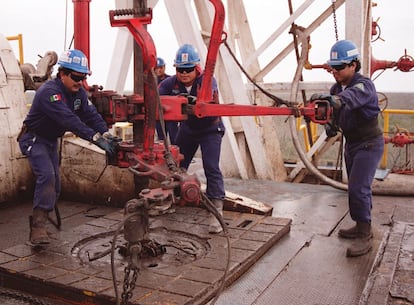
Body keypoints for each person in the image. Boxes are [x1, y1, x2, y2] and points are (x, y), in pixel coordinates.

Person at [18, 49, 117, 245]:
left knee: (55, 186)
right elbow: (69, 119)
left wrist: (105, 133)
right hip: (34, 139)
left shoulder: (78, 92)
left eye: (83, 77)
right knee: (47, 176)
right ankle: (38, 229)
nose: (80, 81)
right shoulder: (49, 93)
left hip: (50, 141)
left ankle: (44, 217)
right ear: (62, 73)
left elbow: (90, 115)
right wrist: (95, 138)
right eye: (75, 77)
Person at [311, 40, 384, 257]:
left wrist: (334, 100)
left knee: (358, 188)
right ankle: (361, 224)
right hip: (352, 144)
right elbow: (335, 110)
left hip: (369, 144)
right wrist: (331, 124)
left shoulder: (364, 85)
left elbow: (349, 99)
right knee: (355, 187)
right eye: (332, 67)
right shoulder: (336, 88)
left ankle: (365, 234)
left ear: (354, 65)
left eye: (340, 67)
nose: (334, 71)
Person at [158, 44, 226, 233]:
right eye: (180, 69)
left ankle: (216, 209)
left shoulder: (207, 81)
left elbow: (209, 101)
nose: (184, 73)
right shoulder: (169, 85)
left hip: (210, 129)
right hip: (188, 129)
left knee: (211, 167)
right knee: (175, 165)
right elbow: (155, 99)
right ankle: (171, 199)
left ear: (196, 68)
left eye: (188, 69)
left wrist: (196, 103)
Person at [154, 57, 177, 143]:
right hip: (159, 116)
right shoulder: (151, 82)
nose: (159, 70)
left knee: (174, 137)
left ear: (164, 67)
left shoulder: (171, 81)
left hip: (171, 115)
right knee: (161, 139)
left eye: (160, 68)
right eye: (156, 68)